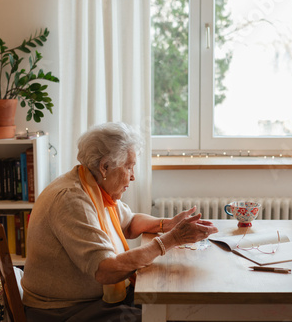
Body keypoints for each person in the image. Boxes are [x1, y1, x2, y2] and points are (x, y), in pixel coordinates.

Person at [22, 122, 218, 322]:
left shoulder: (93, 186)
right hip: (64, 311)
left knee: (177, 308)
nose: (133, 176)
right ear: (105, 166)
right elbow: (106, 270)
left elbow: (130, 223)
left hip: (93, 301)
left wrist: (168, 224)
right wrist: (172, 239)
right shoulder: (72, 200)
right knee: (167, 315)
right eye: (129, 167)